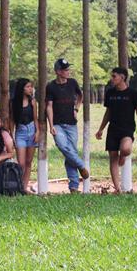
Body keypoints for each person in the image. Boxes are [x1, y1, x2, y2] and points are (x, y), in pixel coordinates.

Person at [95, 67, 137, 194]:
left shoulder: (132, 93)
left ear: (122, 77)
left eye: (114, 76)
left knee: (125, 149)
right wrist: (101, 128)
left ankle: (123, 156)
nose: (111, 79)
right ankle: (117, 188)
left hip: (127, 129)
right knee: (113, 157)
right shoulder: (110, 93)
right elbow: (108, 112)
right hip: (113, 129)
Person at [46, 58, 89, 193]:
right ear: (58, 72)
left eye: (68, 69)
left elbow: (80, 96)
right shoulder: (51, 86)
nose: (68, 72)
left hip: (71, 124)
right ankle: (81, 166)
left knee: (71, 152)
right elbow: (49, 106)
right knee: (63, 146)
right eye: (65, 70)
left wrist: (76, 109)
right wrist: (51, 125)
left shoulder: (72, 83)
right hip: (58, 124)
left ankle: (74, 186)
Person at [11, 78, 41, 193]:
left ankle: (24, 187)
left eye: (31, 87)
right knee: (21, 163)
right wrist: (11, 135)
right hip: (20, 132)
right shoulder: (13, 102)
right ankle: (18, 186)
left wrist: (37, 132)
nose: (30, 89)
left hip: (31, 130)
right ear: (21, 89)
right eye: (28, 87)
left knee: (29, 162)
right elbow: (12, 120)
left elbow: (35, 118)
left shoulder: (33, 101)